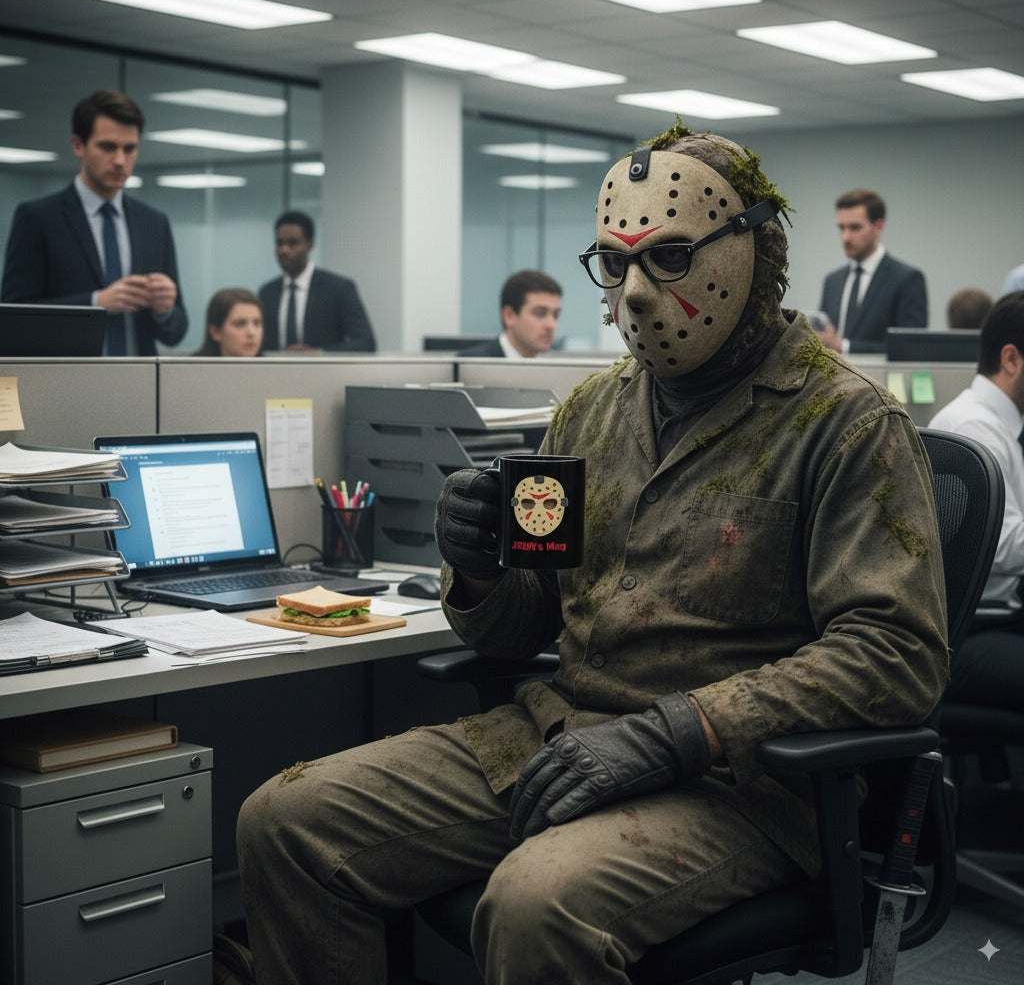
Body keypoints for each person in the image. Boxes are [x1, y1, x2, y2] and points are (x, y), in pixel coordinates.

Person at [236, 125, 948, 985]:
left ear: (753, 253)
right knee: (284, 820)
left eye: (672, 257)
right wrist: (480, 568)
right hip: (558, 737)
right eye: (614, 264)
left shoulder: (845, 423)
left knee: (536, 904)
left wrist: (680, 729)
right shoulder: (591, 411)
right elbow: (520, 628)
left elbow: (896, 654)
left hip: (738, 784)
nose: (637, 293)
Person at [1, 89, 187, 356]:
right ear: (78, 145)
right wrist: (95, 303)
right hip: (69, 385)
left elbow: (176, 333)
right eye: (108, 147)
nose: (120, 161)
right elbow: (13, 319)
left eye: (130, 148)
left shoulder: (154, 223)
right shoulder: (38, 218)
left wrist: (165, 309)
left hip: (141, 387)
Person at [928, 291, 1024, 714]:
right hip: (968, 631)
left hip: (995, 617)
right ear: (1011, 359)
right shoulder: (973, 427)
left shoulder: (998, 424)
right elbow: (1000, 546)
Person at [818, 188, 927, 354]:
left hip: (879, 379)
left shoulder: (908, 279)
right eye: (841, 228)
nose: (845, 237)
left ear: (878, 226)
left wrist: (844, 347)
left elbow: (911, 348)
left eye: (855, 228)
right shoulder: (832, 281)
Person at [257, 211, 376, 352]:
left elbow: (365, 342)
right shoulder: (267, 292)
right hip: (271, 372)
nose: (284, 250)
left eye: (292, 243)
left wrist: (319, 353)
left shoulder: (338, 288)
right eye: (279, 243)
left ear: (310, 245)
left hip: (324, 372)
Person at [457, 269, 562, 357]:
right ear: (509, 316)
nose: (551, 325)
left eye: (555, 315)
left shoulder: (556, 369)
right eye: (540, 313)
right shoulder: (471, 364)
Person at [193, 287, 264, 357]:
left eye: (257, 323)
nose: (251, 333)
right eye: (240, 324)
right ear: (215, 332)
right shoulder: (190, 367)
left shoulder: (272, 367)